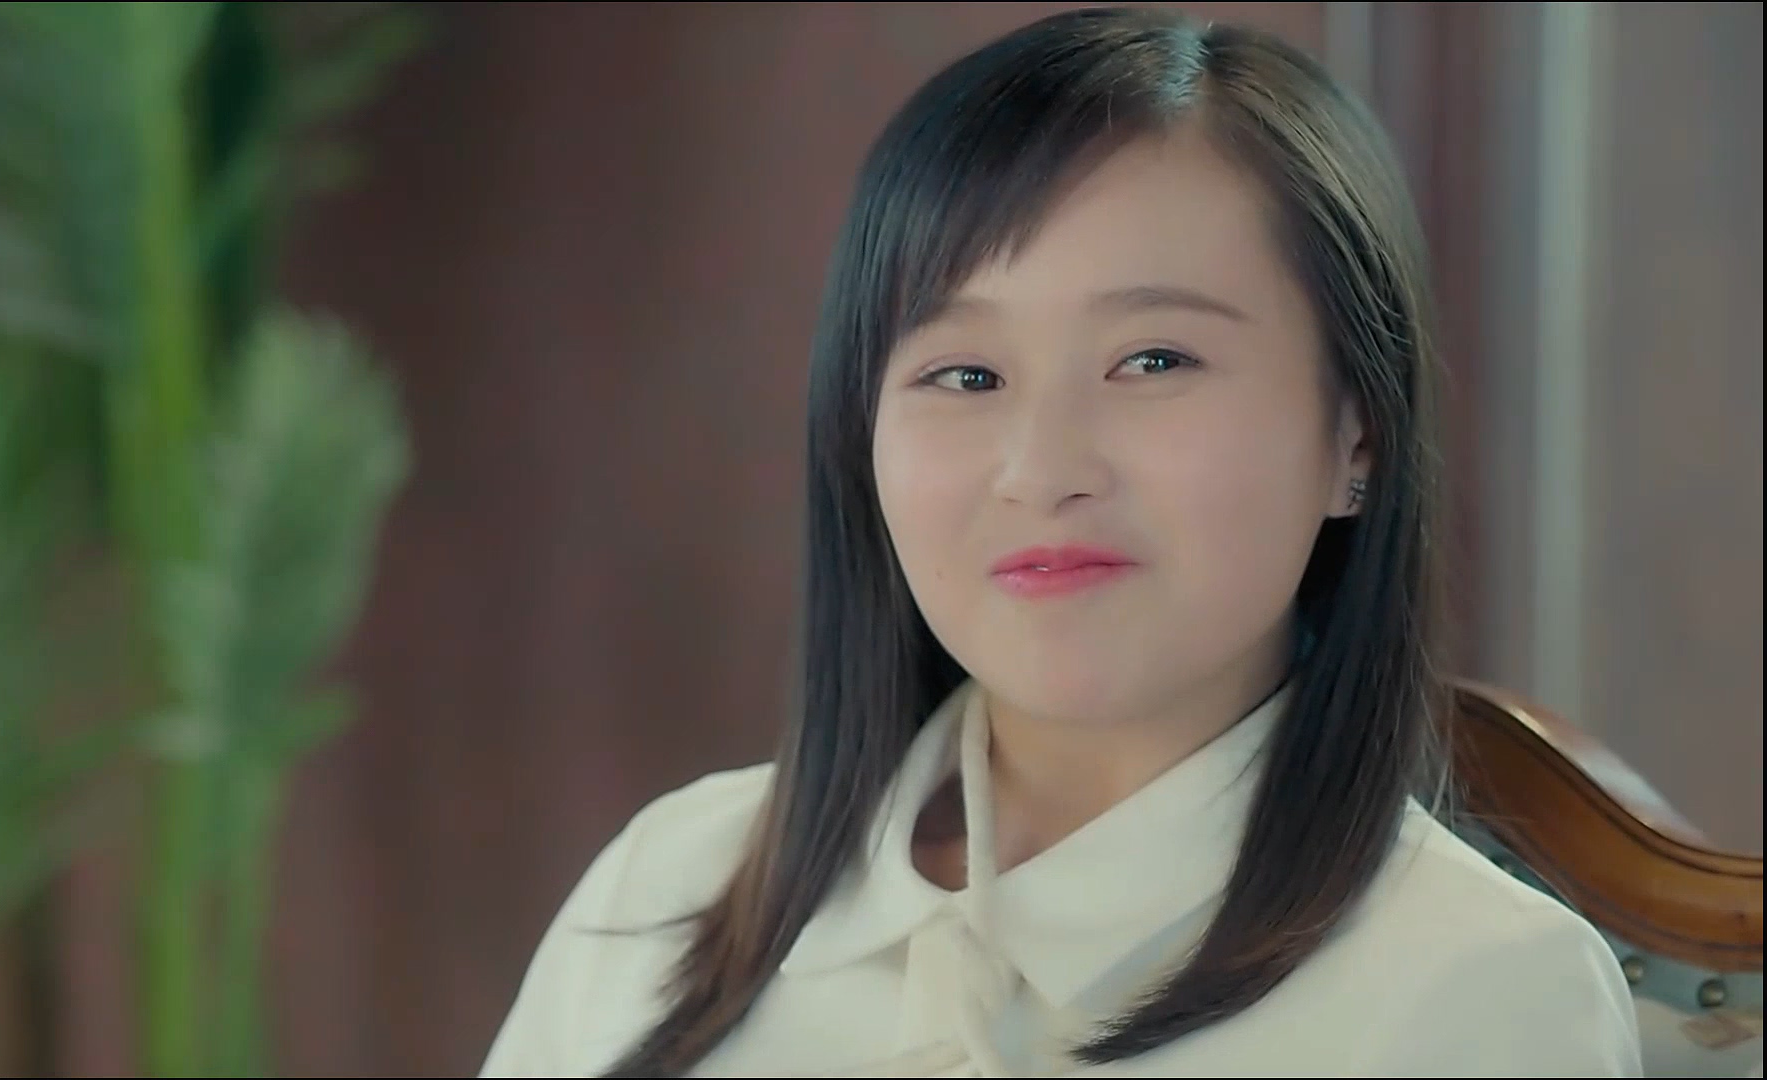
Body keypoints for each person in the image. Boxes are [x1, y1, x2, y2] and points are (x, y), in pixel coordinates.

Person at [479, 7, 1642, 1077]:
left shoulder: (1482, 994)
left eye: (1154, 360)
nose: (1040, 471)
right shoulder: (673, 890)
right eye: (965, 374)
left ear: (1359, 433)